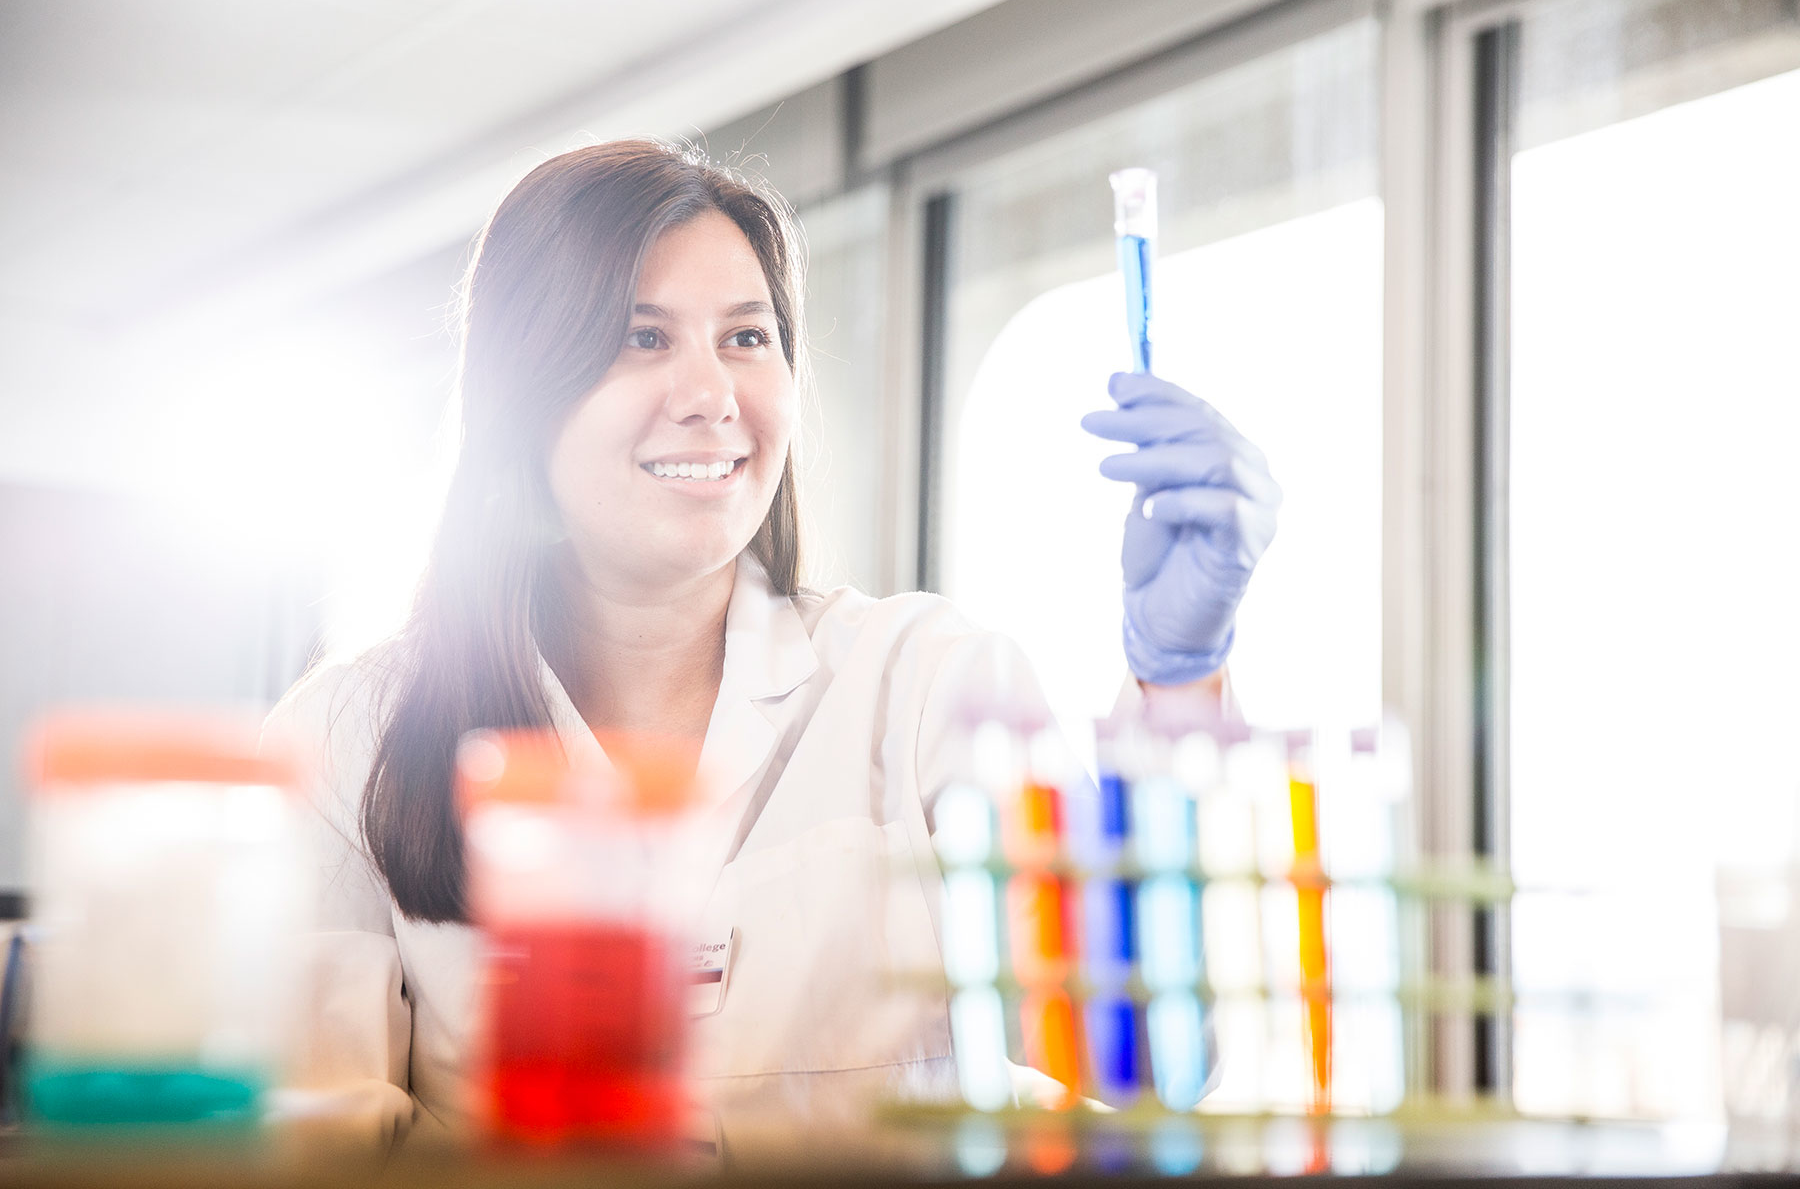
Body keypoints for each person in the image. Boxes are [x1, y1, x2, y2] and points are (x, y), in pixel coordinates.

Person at [265, 139, 1280, 1149]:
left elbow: (1151, 1055)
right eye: (642, 336)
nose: (712, 397)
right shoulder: (349, 743)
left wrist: (1178, 687)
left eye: (748, 339)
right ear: (521, 395)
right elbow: (316, 1156)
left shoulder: (925, 683)